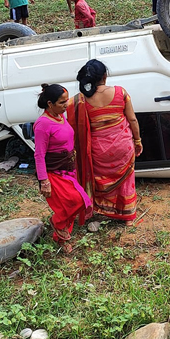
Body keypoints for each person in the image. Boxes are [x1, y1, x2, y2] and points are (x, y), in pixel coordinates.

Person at [73, 60, 141, 222]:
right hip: (123, 146)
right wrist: (137, 141)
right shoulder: (120, 92)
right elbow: (132, 120)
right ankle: (127, 215)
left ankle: (103, 210)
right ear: (105, 76)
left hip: (98, 151)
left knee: (101, 180)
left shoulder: (81, 100)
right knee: (126, 180)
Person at [34, 84, 92, 252]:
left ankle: (60, 237)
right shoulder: (43, 124)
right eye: (62, 102)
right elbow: (39, 155)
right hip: (54, 172)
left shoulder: (60, 117)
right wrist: (44, 181)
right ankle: (58, 225)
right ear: (50, 104)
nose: (66, 105)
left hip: (68, 169)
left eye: (67, 101)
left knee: (73, 204)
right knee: (77, 201)